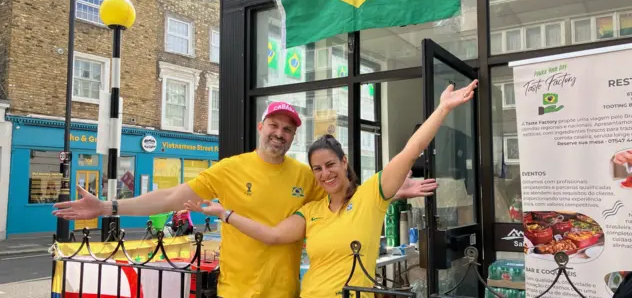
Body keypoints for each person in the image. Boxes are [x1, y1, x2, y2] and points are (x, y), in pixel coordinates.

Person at [53, 101, 439, 298]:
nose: (280, 133)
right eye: (274, 125)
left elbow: (343, 192)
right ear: (261, 127)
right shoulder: (229, 169)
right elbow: (172, 196)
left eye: (288, 130)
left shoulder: (306, 176)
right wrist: (108, 207)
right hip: (237, 290)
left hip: (287, 292)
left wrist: (388, 194)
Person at [185, 80, 478, 298]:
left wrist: (443, 108)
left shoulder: (370, 197)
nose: (325, 173)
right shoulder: (310, 210)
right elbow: (272, 235)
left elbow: (411, 150)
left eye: (330, 164)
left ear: (343, 162)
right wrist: (225, 213)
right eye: (317, 168)